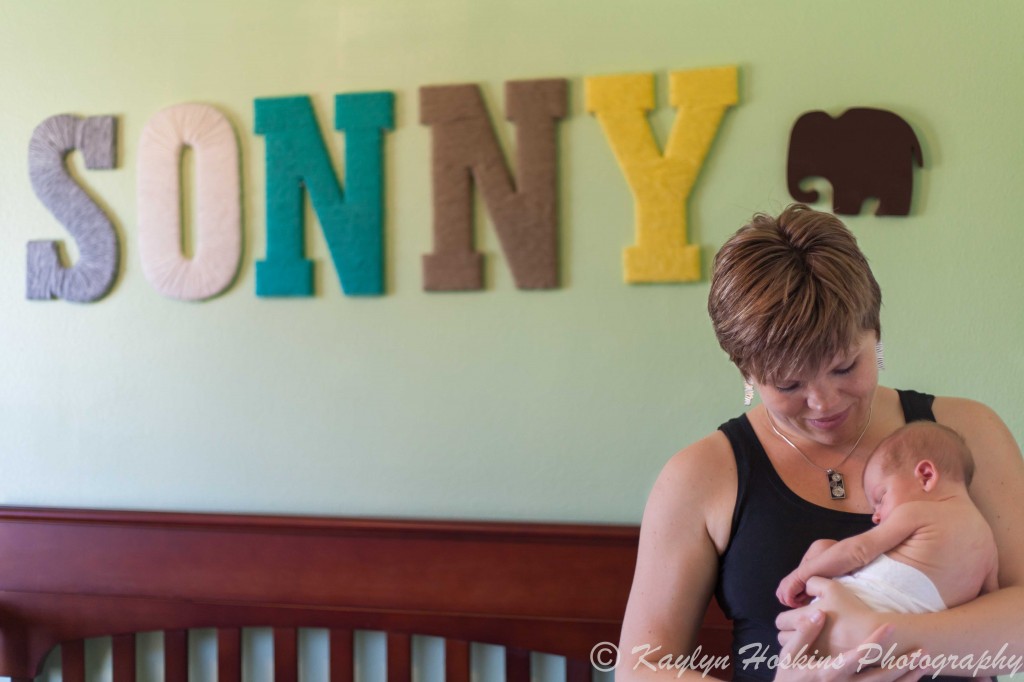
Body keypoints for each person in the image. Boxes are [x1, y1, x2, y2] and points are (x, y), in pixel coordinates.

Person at [615, 205, 1024, 682]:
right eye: (789, 385)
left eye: (845, 367)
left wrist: (879, 636)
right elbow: (640, 670)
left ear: (875, 333)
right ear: (746, 372)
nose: (823, 402)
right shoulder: (701, 476)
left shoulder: (966, 432)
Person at [776, 421, 998, 618]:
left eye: (881, 497)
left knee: (821, 547)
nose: (875, 516)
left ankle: (807, 603)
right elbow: (990, 605)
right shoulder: (989, 544)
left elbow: (858, 552)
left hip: (853, 614)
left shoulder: (918, 511)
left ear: (926, 476)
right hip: (906, 641)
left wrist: (800, 576)